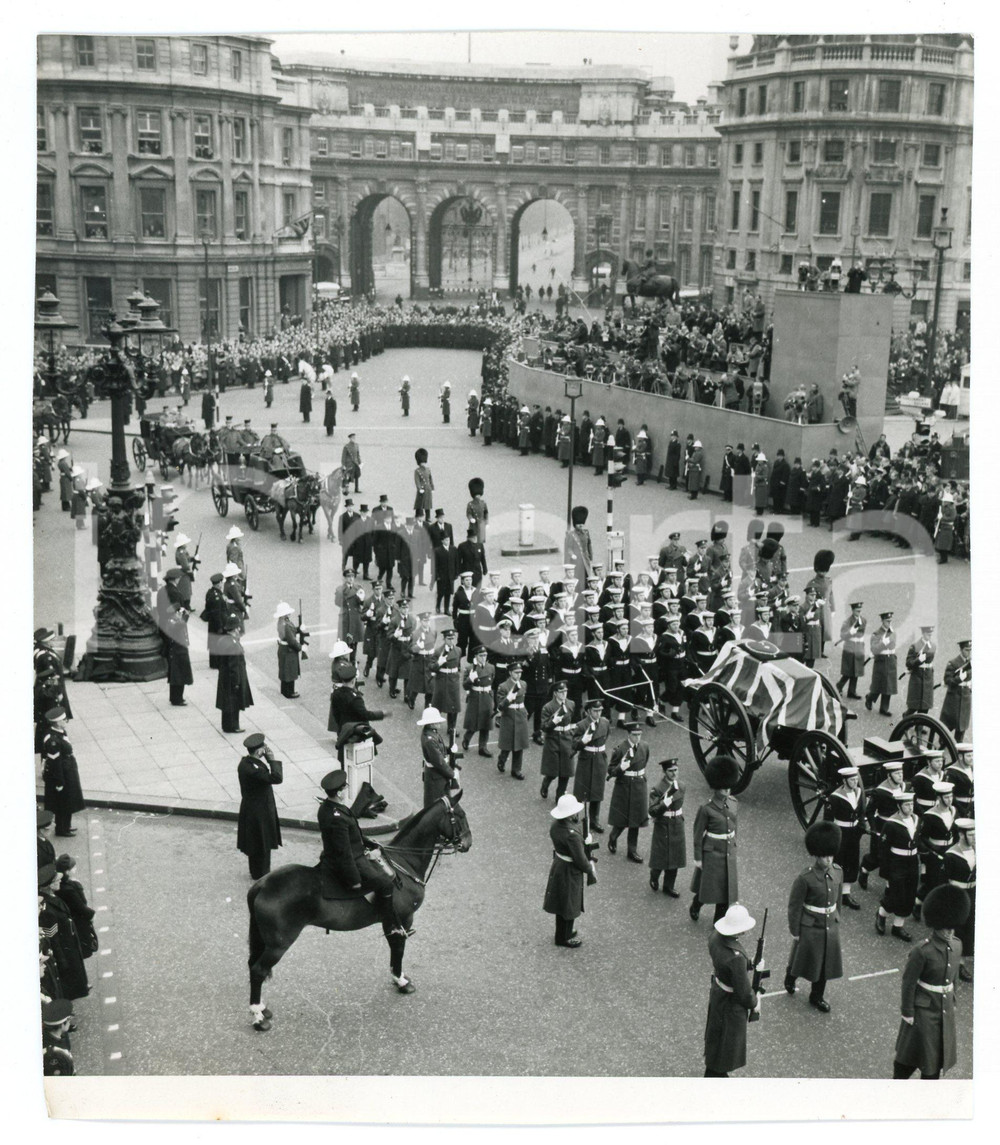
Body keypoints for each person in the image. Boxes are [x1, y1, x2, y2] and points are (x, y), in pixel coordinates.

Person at [317, 770, 410, 960]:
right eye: (345, 787)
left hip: (350, 852)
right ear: (340, 792)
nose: (346, 789)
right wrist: (354, 879)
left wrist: (370, 843)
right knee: (385, 882)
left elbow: (354, 835)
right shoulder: (338, 816)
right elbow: (344, 853)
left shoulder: (329, 807)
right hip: (348, 860)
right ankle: (391, 926)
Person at [892, 884, 969, 1080]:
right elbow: (908, 982)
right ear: (936, 924)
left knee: (934, 1062)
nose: (950, 932)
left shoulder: (957, 945)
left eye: (952, 927)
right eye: (946, 928)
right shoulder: (922, 951)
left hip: (943, 1010)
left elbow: (953, 979)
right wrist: (907, 1011)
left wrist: (953, 1000)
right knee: (908, 1057)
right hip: (923, 1011)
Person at [784, 821, 844, 1013]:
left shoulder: (838, 872)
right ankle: (790, 977)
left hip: (829, 925)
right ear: (816, 855)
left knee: (824, 964)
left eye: (830, 855)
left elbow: (838, 898)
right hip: (810, 926)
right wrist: (795, 930)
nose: (828, 859)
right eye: (824, 856)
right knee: (802, 958)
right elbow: (794, 906)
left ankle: (816, 996)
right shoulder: (805, 878)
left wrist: (837, 918)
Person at [704, 904, 761, 1077]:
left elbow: (728, 967)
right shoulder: (735, 958)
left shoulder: (715, 937)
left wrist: (749, 964)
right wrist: (755, 1002)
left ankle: (714, 1072)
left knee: (716, 1040)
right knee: (726, 1045)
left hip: (719, 993)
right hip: (730, 1004)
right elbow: (743, 992)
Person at [690, 755, 740, 923]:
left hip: (728, 852)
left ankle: (719, 921)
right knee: (709, 887)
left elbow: (733, 825)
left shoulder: (733, 803)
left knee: (725, 890)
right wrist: (698, 857)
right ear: (716, 787)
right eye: (723, 787)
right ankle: (697, 904)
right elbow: (697, 834)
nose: (727, 790)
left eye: (728, 787)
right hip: (712, 853)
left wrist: (733, 843)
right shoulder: (706, 809)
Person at [543, 793, 597, 949]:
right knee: (570, 904)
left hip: (560, 865)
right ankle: (564, 937)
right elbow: (580, 859)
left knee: (562, 903)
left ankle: (561, 933)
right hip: (570, 870)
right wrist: (590, 868)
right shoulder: (571, 835)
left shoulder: (556, 826)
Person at [236, 733, 284, 878]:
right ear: (259, 751)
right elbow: (276, 778)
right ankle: (262, 873)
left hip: (253, 808)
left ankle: (256, 870)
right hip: (259, 810)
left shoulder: (246, 763)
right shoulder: (254, 769)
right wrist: (272, 760)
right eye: (264, 748)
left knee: (255, 842)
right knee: (262, 842)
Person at [876, 789, 921, 941]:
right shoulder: (891, 823)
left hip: (912, 861)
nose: (910, 807)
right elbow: (883, 849)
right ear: (899, 806)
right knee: (896, 893)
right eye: (907, 805)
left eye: (911, 804)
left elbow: (918, 841)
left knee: (909, 893)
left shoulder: (916, 820)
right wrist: (886, 873)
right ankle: (881, 914)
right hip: (897, 861)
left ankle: (898, 926)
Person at [606, 722, 649, 862]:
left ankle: (632, 850)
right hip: (624, 784)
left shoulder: (644, 746)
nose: (638, 738)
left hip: (639, 786)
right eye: (635, 735)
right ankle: (613, 836)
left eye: (639, 735)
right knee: (623, 816)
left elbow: (644, 762)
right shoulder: (620, 749)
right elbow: (611, 770)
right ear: (629, 734)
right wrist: (620, 768)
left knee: (635, 820)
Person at [826, 765, 865, 909]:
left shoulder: (859, 793)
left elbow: (861, 812)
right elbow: (828, 820)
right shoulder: (835, 797)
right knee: (838, 862)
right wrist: (830, 838)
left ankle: (846, 895)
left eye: (856, 779)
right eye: (852, 780)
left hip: (854, 832)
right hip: (840, 831)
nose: (855, 782)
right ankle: (833, 893)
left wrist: (861, 828)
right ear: (845, 781)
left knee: (852, 861)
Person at [41, 708, 85, 837]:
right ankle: (61, 829)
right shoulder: (52, 740)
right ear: (56, 722)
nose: (66, 721)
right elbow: (55, 763)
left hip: (68, 771)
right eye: (63, 720)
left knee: (69, 800)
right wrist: (59, 782)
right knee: (62, 803)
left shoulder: (60, 732)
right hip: (62, 775)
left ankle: (66, 825)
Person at [647, 758, 686, 895]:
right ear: (664, 772)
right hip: (663, 823)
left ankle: (669, 886)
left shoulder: (681, 786)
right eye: (670, 771)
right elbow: (652, 810)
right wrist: (665, 803)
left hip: (677, 823)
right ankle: (654, 874)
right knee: (661, 856)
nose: (674, 773)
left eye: (676, 770)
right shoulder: (657, 788)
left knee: (675, 857)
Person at [943, 818, 975, 982]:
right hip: (957, 893)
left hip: (973, 892)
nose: (974, 837)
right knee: (956, 928)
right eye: (971, 834)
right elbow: (943, 880)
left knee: (969, 928)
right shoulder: (951, 855)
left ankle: (961, 964)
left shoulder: (978, 851)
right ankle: (949, 961)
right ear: (961, 835)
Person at [54, 853, 97, 958]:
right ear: (67, 872)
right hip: (78, 922)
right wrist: (91, 915)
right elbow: (80, 905)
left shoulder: (63, 885)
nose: (76, 868)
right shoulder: (71, 888)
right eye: (73, 867)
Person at [539, 680, 577, 802]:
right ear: (555, 693)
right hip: (553, 739)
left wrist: (572, 733)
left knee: (566, 771)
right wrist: (553, 722)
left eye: (565, 691)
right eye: (561, 692)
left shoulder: (571, 704)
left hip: (566, 738)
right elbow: (544, 727)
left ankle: (559, 796)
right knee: (553, 770)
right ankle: (546, 783)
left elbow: (574, 722)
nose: (564, 694)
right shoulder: (548, 707)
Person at [216, 613, 253, 733]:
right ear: (234, 629)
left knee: (226, 703)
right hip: (233, 678)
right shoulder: (233, 644)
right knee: (234, 703)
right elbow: (234, 666)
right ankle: (233, 726)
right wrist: (236, 682)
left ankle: (226, 725)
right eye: (237, 627)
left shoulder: (224, 640)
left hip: (224, 677)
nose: (239, 629)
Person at [418, 706, 460, 807]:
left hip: (437, 774)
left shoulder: (432, 733)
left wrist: (449, 750)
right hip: (435, 776)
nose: (439, 723)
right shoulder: (429, 739)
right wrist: (452, 773)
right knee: (436, 804)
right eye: (437, 722)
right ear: (431, 724)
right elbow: (439, 761)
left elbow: (439, 749)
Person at [495, 660, 529, 779]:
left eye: (520, 672)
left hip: (520, 715)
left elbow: (524, 701)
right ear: (510, 673)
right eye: (515, 672)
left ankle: (516, 770)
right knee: (508, 744)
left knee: (519, 744)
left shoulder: (523, 684)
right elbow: (500, 706)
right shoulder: (503, 686)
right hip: (509, 715)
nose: (518, 675)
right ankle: (502, 759)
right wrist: (508, 698)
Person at [461, 644, 495, 756]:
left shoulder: (491, 667)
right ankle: (467, 738)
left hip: (487, 697)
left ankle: (483, 747)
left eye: (485, 655)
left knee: (486, 723)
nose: (483, 657)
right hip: (475, 696)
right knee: (474, 723)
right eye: (481, 655)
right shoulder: (470, 668)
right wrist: (470, 679)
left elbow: (492, 681)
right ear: (476, 656)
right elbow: (465, 686)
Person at [866, 611, 898, 716]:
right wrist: (883, 642)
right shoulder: (876, 634)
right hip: (881, 661)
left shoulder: (892, 632)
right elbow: (874, 649)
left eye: (890, 621)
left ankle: (884, 708)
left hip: (891, 660)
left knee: (888, 686)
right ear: (883, 621)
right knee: (878, 686)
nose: (889, 623)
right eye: (887, 621)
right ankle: (869, 698)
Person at [940, 639, 971, 740]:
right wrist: (959, 679)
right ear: (961, 650)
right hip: (954, 699)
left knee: (961, 727)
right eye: (967, 650)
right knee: (948, 726)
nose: (969, 652)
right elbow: (947, 680)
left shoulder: (971, 662)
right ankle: (943, 745)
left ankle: (958, 749)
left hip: (966, 697)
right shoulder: (953, 663)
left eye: (970, 650)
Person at [904, 624, 937, 716]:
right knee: (914, 705)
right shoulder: (915, 646)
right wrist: (918, 660)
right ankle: (906, 719)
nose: (929, 636)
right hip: (917, 677)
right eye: (927, 634)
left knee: (925, 706)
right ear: (923, 633)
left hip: (928, 678)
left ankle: (919, 727)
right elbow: (908, 663)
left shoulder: (933, 646)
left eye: (930, 634)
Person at [837, 601, 867, 698]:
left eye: (860, 611)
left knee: (856, 671)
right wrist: (851, 631)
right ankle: (839, 686)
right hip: (849, 648)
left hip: (859, 648)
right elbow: (842, 635)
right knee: (848, 671)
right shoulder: (847, 622)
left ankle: (852, 691)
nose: (859, 613)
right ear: (853, 610)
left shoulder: (863, 620)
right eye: (857, 611)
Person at [274, 601, 303, 699]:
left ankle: (284, 690)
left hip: (283, 649)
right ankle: (289, 692)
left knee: (284, 671)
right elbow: (292, 641)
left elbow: (292, 631)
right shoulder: (286, 624)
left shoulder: (281, 622)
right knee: (290, 672)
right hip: (289, 650)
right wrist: (300, 647)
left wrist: (298, 629)